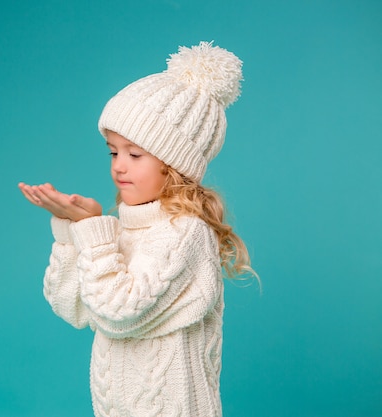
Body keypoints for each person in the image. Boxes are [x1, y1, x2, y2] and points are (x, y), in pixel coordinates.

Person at [18, 41, 256, 417]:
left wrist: (93, 230)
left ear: (174, 164)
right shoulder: (118, 231)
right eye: (113, 152)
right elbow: (75, 308)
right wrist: (72, 231)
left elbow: (118, 311)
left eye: (135, 154)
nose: (119, 166)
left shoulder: (184, 233)